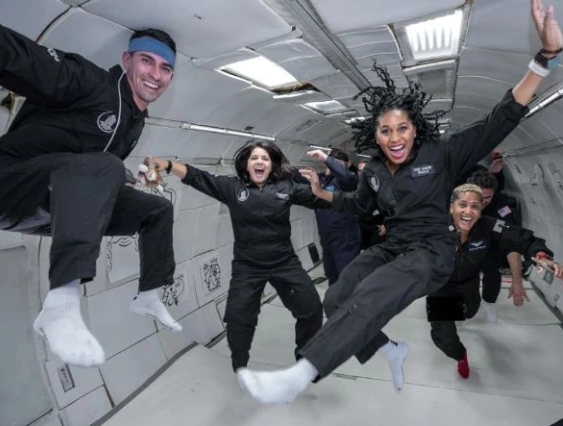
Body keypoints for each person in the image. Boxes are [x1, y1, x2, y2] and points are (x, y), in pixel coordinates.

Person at [235, 0, 562, 404]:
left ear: (414, 128)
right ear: (376, 135)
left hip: (432, 249)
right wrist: (324, 195)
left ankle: (303, 372)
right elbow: (359, 206)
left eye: (402, 128)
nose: (395, 137)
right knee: (336, 298)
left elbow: (502, 116)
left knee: (374, 295)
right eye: (386, 130)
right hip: (394, 245)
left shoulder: (441, 152)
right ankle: (390, 350)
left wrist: (545, 56)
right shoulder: (373, 168)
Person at [0, 19, 181, 367]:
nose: (156, 74)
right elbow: (18, 57)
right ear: (127, 59)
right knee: (105, 166)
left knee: (156, 210)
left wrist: (114, 178)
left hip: (48, 210)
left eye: (166, 68)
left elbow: (88, 157)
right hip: (8, 185)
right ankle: (61, 304)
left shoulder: (135, 120)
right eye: (147, 61)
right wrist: (107, 171)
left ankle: (150, 294)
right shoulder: (88, 81)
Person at [146, 140, 326, 382]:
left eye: (264, 158)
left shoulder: (287, 187)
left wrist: (329, 189)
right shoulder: (232, 187)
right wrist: (166, 164)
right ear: (246, 164)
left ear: (272, 165)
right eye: (254, 158)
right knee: (237, 318)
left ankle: (306, 361)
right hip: (248, 267)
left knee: (312, 308)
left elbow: (328, 200)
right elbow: (197, 177)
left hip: (285, 263)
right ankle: (240, 364)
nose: (260, 162)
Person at [368, 184, 562, 386]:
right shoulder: (433, 227)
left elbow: (523, 238)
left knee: (469, 313)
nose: (468, 211)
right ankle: (460, 355)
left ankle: (464, 311)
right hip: (441, 286)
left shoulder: (489, 225)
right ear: (451, 207)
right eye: (462, 205)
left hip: (468, 282)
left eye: (475, 206)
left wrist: (541, 256)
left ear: (480, 210)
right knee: (444, 336)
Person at [469, 168, 523, 321]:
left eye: (487, 197)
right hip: (465, 244)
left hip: (490, 244)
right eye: (479, 196)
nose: (483, 201)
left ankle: (489, 303)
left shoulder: (502, 208)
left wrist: (517, 281)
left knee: (492, 273)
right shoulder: (458, 201)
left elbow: (512, 244)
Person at [304, 148, 361, 286]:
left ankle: (352, 306)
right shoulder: (320, 179)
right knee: (332, 276)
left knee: (348, 279)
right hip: (327, 239)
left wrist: (326, 158)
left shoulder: (349, 181)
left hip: (346, 240)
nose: (333, 166)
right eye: (331, 163)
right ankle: (335, 305)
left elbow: (346, 176)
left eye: (338, 164)